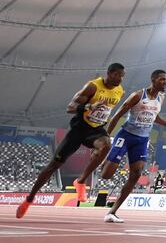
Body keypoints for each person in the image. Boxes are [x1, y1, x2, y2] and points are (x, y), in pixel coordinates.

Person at [17, 63, 126, 219]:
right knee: (53, 166)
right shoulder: (93, 86)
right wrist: (90, 106)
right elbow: (70, 107)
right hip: (78, 130)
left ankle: (80, 181)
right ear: (109, 73)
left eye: (123, 76)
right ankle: (29, 199)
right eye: (117, 75)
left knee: (106, 145)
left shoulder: (120, 91)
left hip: (96, 130)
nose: (120, 78)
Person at [99, 69, 166, 223]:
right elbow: (117, 115)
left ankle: (112, 212)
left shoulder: (161, 98)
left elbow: (154, 116)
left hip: (142, 140)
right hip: (126, 136)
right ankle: (104, 159)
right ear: (153, 79)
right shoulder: (137, 95)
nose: (165, 82)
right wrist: (105, 138)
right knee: (106, 175)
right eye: (162, 79)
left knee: (136, 174)